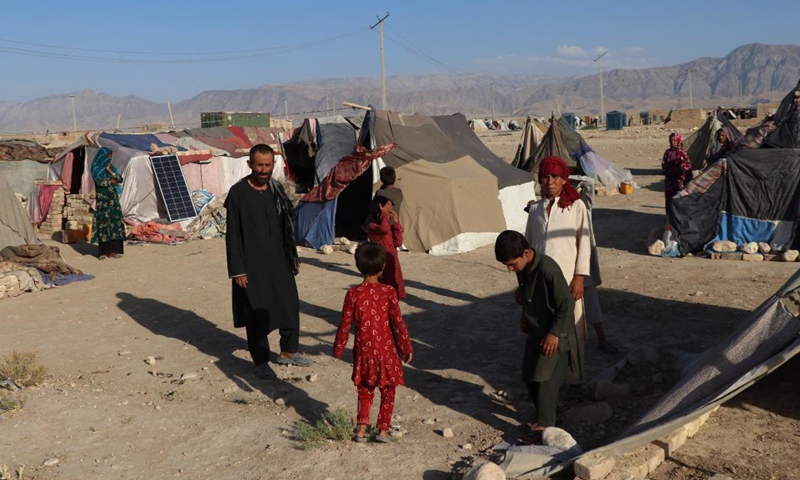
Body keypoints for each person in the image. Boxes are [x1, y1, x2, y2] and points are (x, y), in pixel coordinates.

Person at [225, 144, 313, 380]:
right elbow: (232, 234)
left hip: (280, 260)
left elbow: (287, 226)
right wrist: (238, 270)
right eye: (259, 165)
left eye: (268, 165)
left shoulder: (276, 189)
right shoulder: (238, 193)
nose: (264, 170)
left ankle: (288, 351)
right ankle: (261, 360)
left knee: (289, 304)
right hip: (252, 265)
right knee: (257, 313)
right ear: (250, 164)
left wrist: (292, 256)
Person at [525, 156, 617, 367]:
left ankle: (574, 377)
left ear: (564, 179)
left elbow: (584, 244)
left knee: (573, 327)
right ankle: (550, 373)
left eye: (555, 176)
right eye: (546, 177)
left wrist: (579, 277)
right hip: (541, 281)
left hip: (567, 279)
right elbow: (530, 247)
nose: (550, 181)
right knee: (545, 326)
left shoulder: (576, 207)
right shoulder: (535, 210)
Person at [495, 230, 580, 444]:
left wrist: (555, 334)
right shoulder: (523, 267)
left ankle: (545, 427)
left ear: (526, 252)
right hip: (536, 330)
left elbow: (566, 304)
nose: (510, 269)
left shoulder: (548, 270)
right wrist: (524, 312)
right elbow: (528, 294)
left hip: (556, 334)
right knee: (530, 376)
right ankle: (548, 413)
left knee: (545, 380)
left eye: (512, 264)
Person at [333, 242, 413, 443]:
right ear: (383, 267)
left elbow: (345, 325)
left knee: (365, 389)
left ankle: (361, 429)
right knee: (388, 390)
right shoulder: (388, 292)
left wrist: (338, 348)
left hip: (364, 352)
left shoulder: (352, 294)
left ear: (358, 266)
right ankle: (383, 430)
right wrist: (406, 347)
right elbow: (398, 322)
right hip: (387, 352)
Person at [367, 196, 405, 299]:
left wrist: (396, 222)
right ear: (380, 207)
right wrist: (384, 214)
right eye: (388, 207)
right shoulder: (372, 226)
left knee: (393, 291)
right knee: (382, 292)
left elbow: (398, 242)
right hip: (380, 261)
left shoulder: (387, 224)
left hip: (392, 261)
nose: (390, 211)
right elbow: (383, 229)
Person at [90, 147, 125, 260]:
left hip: (113, 200)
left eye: (110, 156)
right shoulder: (96, 168)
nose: (110, 158)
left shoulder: (111, 168)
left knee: (115, 223)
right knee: (104, 224)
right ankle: (103, 253)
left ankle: (115, 251)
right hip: (103, 200)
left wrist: (110, 171)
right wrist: (111, 181)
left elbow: (119, 179)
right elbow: (100, 182)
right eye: (108, 156)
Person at [661, 132, 692, 213]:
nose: (672, 142)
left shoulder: (683, 153)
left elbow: (688, 166)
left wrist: (681, 169)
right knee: (669, 200)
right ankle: (669, 218)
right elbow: (664, 165)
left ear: (678, 140)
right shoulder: (667, 152)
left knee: (679, 200)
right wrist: (673, 169)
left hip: (679, 182)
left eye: (675, 140)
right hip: (669, 181)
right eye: (671, 140)